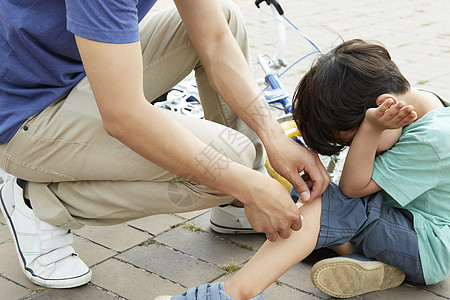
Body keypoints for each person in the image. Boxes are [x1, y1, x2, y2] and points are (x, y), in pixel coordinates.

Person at [0, 0, 330, 289]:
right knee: (231, 164)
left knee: (224, 17)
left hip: (82, 68)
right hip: (26, 111)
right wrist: (245, 184)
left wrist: (272, 135)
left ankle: (239, 207)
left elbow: (214, 39)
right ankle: (36, 199)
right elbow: (124, 117)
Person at [160, 39, 450, 299]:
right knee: (304, 199)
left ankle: (236, 293)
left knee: (324, 202)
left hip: (427, 248)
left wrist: (371, 130)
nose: (361, 147)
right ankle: (368, 261)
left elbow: (352, 188)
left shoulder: (432, 139)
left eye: (355, 140)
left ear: (384, 108)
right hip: (403, 224)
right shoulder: (414, 102)